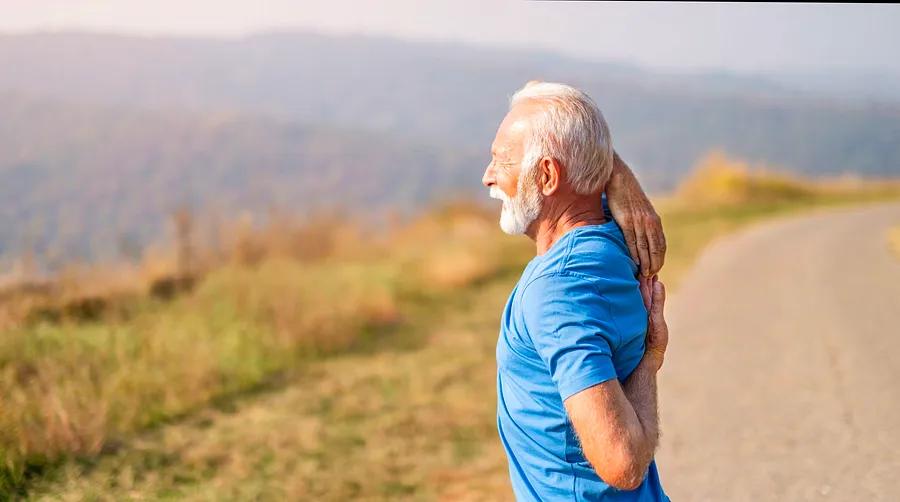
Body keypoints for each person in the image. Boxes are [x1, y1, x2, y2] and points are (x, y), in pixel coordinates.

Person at [483, 81, 670, 501]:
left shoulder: (557, 291)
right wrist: (616, 171)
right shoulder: (614, 235)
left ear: (548, 174)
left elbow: (622, 461)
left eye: (501, 161)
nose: (488, 177)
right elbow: (568, 128)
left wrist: (648, 364)